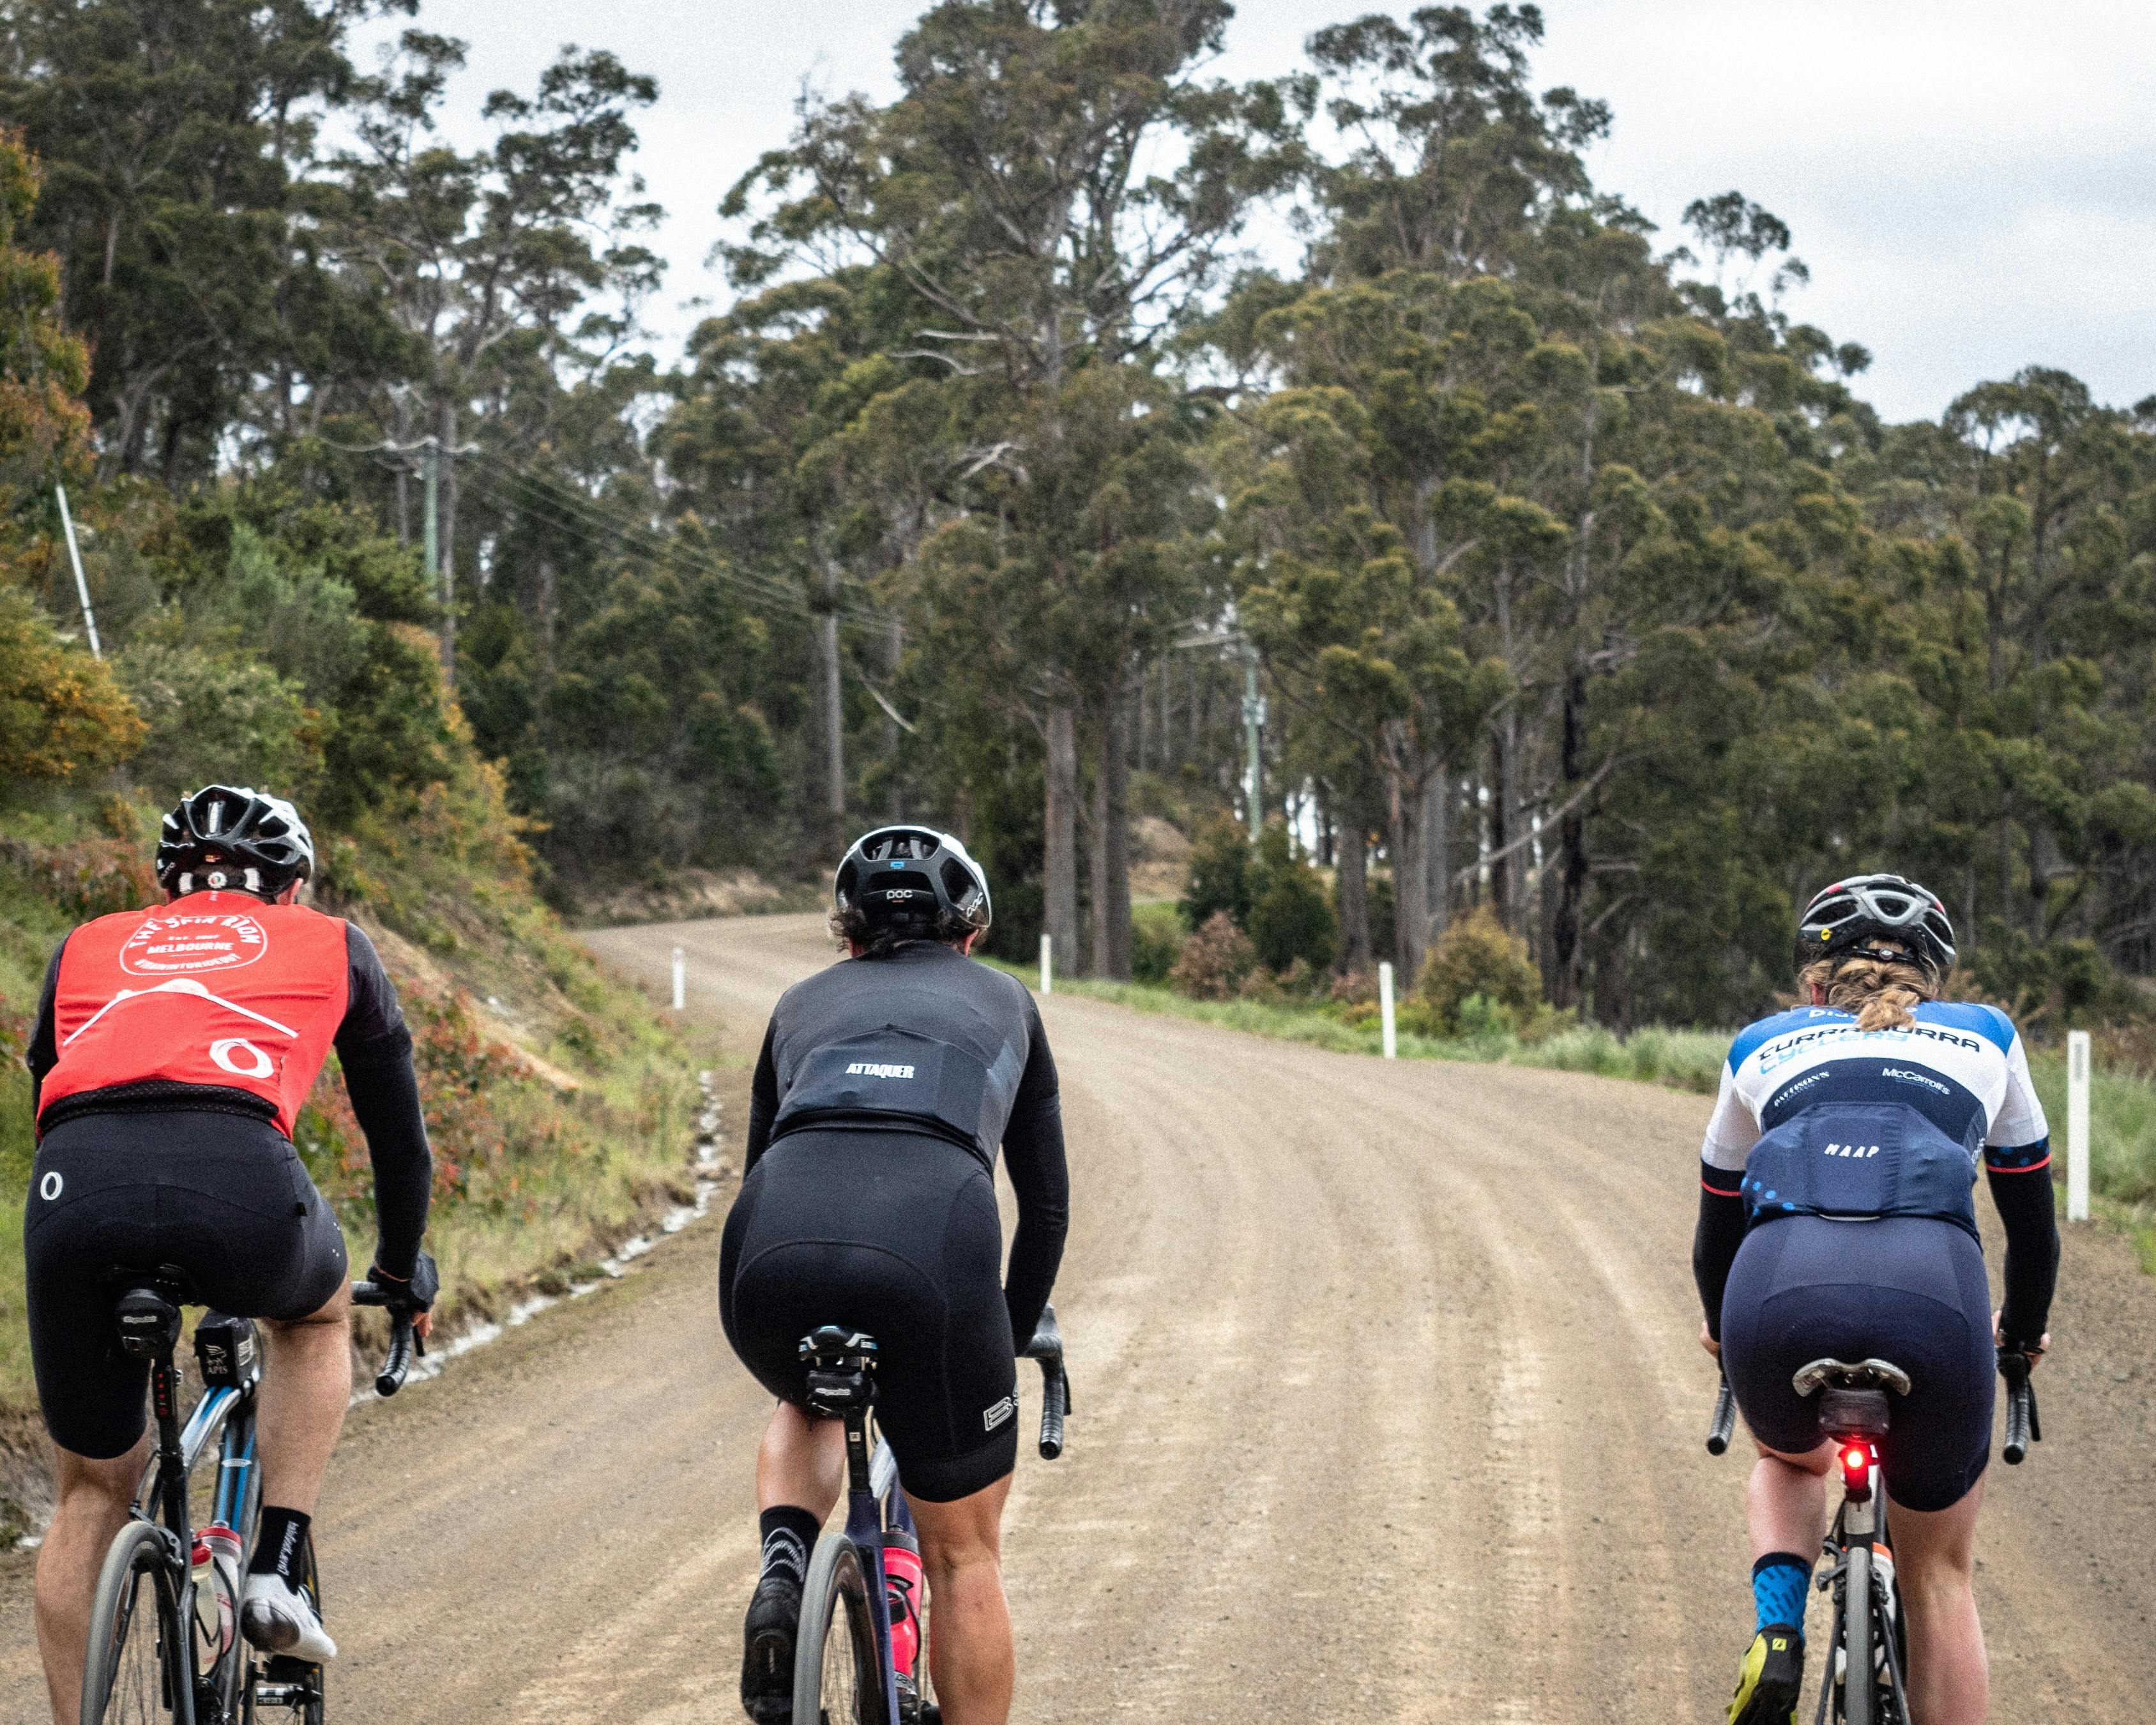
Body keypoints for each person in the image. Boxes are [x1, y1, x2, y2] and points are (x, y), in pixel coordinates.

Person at [21, 784, 437, 1724]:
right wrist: (404, 1270)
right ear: (292, 887)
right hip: (240, 1177)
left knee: (88, 1495)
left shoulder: (88, 942)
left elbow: (47, 1083)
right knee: (316, 1312)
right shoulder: (332, 941)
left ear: (166, 887)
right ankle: (276, 1569)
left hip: (71, 1185)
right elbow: (400, 1137)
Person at [721, 825, 1070, 1725]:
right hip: (934, 1246)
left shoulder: (799, 1003)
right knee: (963, 1555)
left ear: (849, 936)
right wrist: (1005, 1324)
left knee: (805, 1394)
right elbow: (1048, 1210)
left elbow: (762, 1162)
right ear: (969, 933)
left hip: (770, 1248)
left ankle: (785, 1564)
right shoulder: (1006, 1000)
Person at [1696, 874, 2058, 1725]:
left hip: (1777, 1292)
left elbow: (1716, 1230)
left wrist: (1722, 1332)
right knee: (1938, 1572)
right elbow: (2034, 1233)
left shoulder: (1759, 1044)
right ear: (1933, 982)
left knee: (1789, 1458)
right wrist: (2024, 1335)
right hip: (1934, 1298)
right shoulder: (1987, 1036)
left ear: (1815, 987)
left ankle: (1779, 1631)